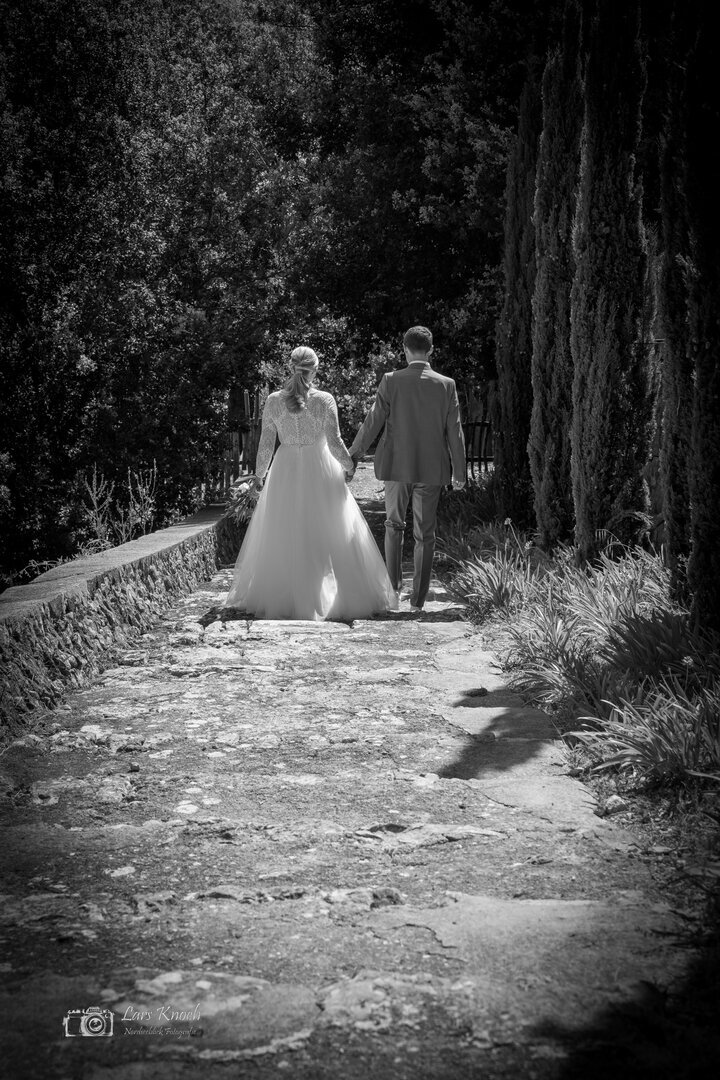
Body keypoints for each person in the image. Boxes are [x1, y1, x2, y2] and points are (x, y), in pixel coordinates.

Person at [224, 346, 396, 621]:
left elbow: (266, 443)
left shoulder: (273, 401)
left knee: (284, 530)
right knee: (331, 530)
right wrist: (349, 465)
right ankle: (329, 595)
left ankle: (285, 598)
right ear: (315, 370)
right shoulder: (324, 400)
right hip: (320, 468)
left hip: (285, 468)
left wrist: (259, 476)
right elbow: (335, 441)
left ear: (291, 368)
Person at [348, 326, 466, 611]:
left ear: (404, 349)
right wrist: (459, 472)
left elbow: (373, 421)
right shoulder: (446, 384)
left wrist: (353, 454)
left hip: (396, 466)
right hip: (432, 467)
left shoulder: (391, 380)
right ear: (431, 350)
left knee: (394, 525)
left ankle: (393, 591)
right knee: (425, 533)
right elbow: (455, 430)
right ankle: (418, 601)